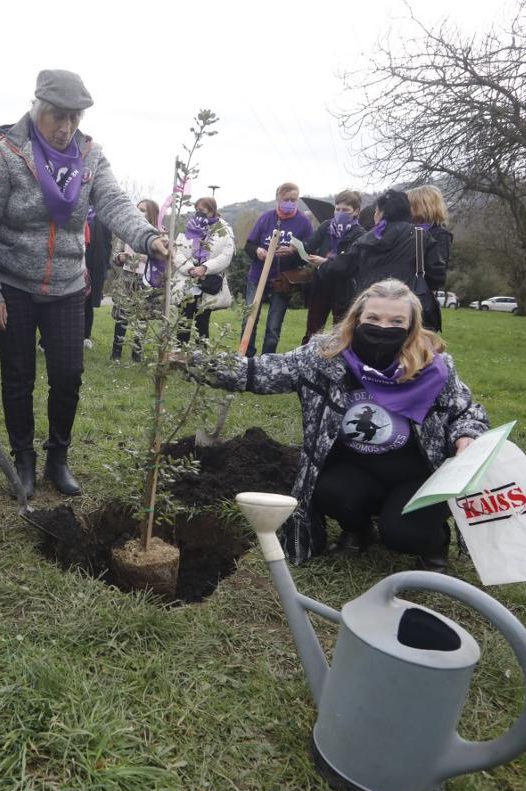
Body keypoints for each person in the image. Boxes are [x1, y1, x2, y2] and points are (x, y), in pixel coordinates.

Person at [190, 279, 488, 570]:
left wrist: (467, 436)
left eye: (396, 321)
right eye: (373, 317)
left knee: (402, 533)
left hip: (415, 476)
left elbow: (466, 411)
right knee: (329, 490)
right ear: (357, 318)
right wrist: (191, 361)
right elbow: (260, 372)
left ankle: (433, 542)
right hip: (355, 469)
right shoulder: (324, 357)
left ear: (411, 326)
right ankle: (357, 529)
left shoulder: (433, 366)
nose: (383, 327)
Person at [0, 69, 170, 498]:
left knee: (68, 375)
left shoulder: (90, 156)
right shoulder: (8, 152)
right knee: (18, 376)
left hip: (68, 285)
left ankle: (58, 458)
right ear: (37, 108)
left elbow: (113, 202)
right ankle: (24, 460)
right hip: (14, 283)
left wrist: (149, 236)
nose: (66, 127)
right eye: (58, 117)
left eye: (75, 118)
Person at [321, 189, 440, 330]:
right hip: (408, 305)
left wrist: (323, 265)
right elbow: (437, 274)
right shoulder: (421, 237)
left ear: (381, 213)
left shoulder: (366, 239)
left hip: (371, 302)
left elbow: (344, 267)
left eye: (376, 211)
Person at [243, 182, 315, 355]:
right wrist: (258, 251)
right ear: (278, 199)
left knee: (273, 326)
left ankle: (267, 360)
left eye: (294, 199)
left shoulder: (304, 222)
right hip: (258, 276)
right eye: (286, 199)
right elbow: (249, 245)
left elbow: (310, 250)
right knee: (249, 320)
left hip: (283, 280)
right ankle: (246, 358)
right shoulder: (265, 218)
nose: (290, 203)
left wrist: (294, 250)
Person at [303, 189, 365, 342]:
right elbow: (310, 245)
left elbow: (349, 264)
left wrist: (325, 262)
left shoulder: (360, 234)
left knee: (341, 331)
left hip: (344, 287)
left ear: (356, 211)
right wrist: (295, 247)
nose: (340, 213)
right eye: (338, 209)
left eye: (345, 210)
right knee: (313, 329)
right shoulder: (326, 226)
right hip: (321, 283)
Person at [171, 196, 234, 343]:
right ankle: (180, 358)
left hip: (207, 281)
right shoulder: (188, 227)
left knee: (202, 324)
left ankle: (202, 361)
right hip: (188, 280)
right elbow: (177, 251)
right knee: (183, 322)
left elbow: (226, 256)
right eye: (196, 210)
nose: (198, 213)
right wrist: (190, 269)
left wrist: (205, 268)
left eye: (202, 210)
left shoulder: (224, 230)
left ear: (212, 211)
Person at [110, 199, 164, 363]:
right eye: (138, 209)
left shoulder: (158, 234)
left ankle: (137, 353)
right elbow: (115, 255)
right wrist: (120, 257)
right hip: (127, 278)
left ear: (152, 214)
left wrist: (148, 257)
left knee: (142, 317)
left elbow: (163, 258)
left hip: (146, 280)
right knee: (122, 316)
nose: (139, 212)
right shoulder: (126, 230)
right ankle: (116, 353)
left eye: (143, 210)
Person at [407, 184, 453, 332]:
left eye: (411, 205)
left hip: (421, 296)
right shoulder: (407, 230)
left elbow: (437, 270)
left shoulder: (439, 235)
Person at [83, 209, 113, 350]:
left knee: (88, 303)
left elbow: (107, 243)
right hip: (74, 262)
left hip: (93, 265)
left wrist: (105, 266)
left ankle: (85, 336)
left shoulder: (101, 217)